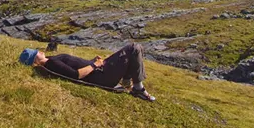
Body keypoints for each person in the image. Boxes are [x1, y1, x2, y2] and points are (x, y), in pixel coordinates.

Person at [18, 43, 155, 101]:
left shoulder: (50, 61)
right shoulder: (51, 63)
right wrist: (95, 65)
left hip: (99, 71)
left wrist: (92, 61)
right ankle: (138, 88)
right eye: (37, 54)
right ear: (35, 61)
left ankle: (128, 81)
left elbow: (76, 66)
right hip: (101, 75)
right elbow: (76, 75)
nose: (40, 51)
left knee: (132, 51)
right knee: (134, 48)